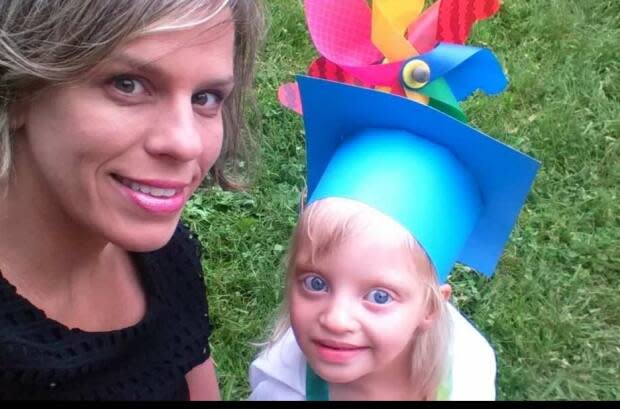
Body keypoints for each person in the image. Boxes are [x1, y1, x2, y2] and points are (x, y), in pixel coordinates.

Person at [0, 0, 264, 400]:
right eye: (128, 84)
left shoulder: (164, 263)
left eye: (206, 97)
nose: (186, 142)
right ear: (17, 91)